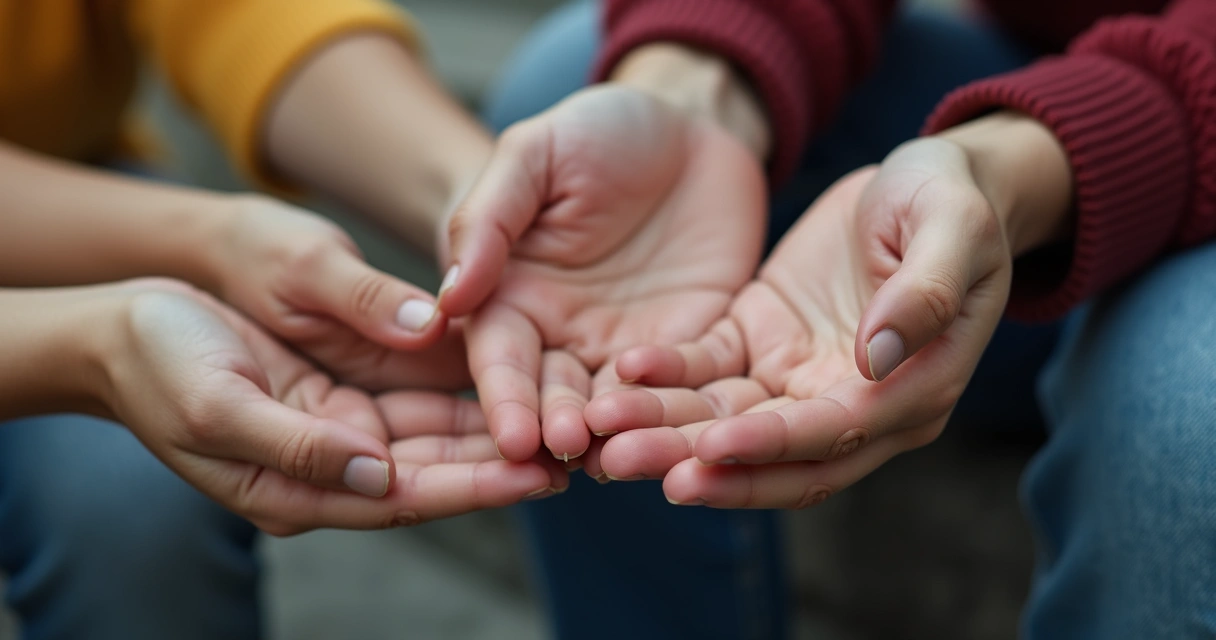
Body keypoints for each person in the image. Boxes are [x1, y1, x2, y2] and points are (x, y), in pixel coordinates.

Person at [446, 0, 1216, 637]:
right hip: (1057, 68)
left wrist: (1012, 168)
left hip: (1159, 128)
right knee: (570, 80)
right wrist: (697, 87)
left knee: (1188, 421)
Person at [0, 2, 568, 638]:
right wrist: (198, 249)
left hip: (74, 181)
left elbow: (235, 15)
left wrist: (481, 194)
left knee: (138, 501)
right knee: (127, 489)